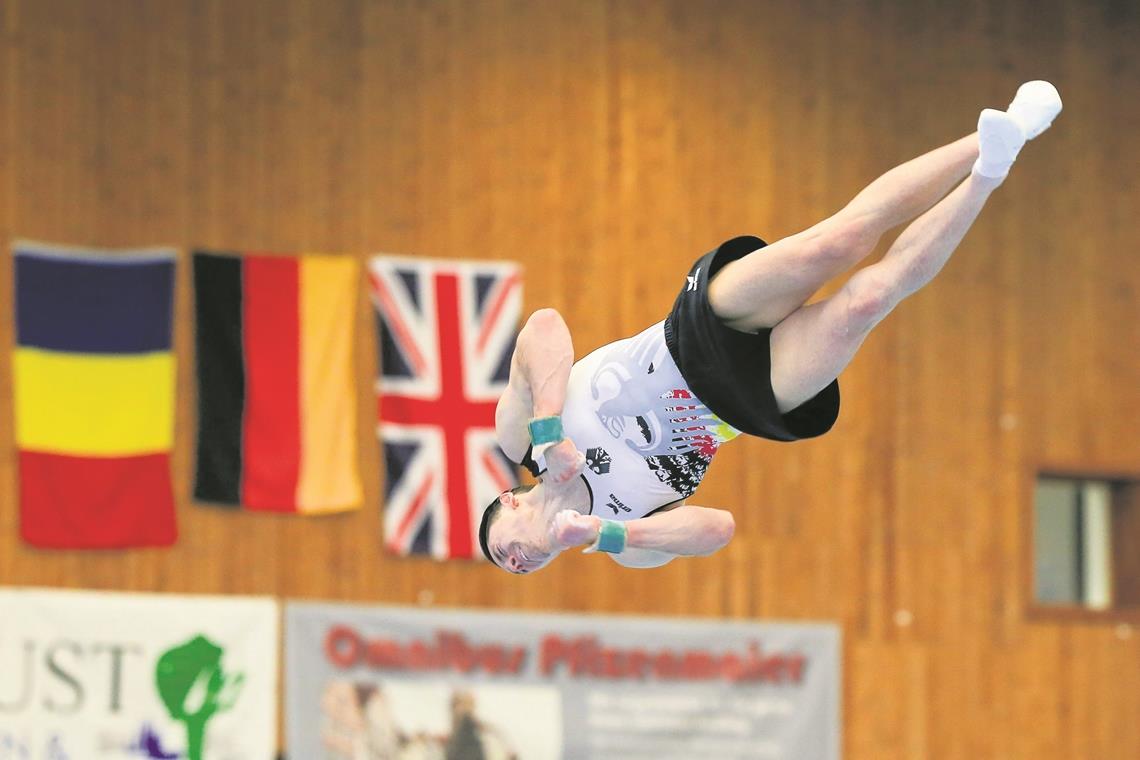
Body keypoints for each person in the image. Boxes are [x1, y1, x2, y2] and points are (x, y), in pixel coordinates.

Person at [479, 81, 1062, 574]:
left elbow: (545, 328)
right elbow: (718, 529)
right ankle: (990, 170)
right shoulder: (624, 539)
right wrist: (608, 534)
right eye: (513, 570)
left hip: (693, 336)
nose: (513, 563)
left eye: (500, 548)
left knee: (839, 241)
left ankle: (1003, 128)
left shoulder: (518, 438)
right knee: (869, 298)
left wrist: (551, 430)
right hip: (745, 400)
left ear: (508, 500)